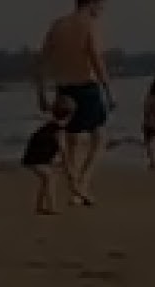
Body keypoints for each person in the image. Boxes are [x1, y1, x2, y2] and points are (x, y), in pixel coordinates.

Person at [33, 0, 113, 205]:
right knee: (99, 137)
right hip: (86, 86)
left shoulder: (58, 25)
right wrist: (108, 90)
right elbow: (95, 57)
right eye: (100, 5)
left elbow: (42, 59)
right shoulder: (90, 24)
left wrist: (41, 93)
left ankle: (76, 188)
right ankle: (82, 184)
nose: (102, 10)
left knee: (71, 140)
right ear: (91, 4)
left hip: (64, 88)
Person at [21, 95, 82, 215]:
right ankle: (51, 207)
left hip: (36, 157)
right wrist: (69, 170)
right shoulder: (58, 130)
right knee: (49, 178)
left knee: (48, 177)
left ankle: (39, 206)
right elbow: (63, 151)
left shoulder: (51, 126)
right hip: (35, 159)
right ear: (70, 116)